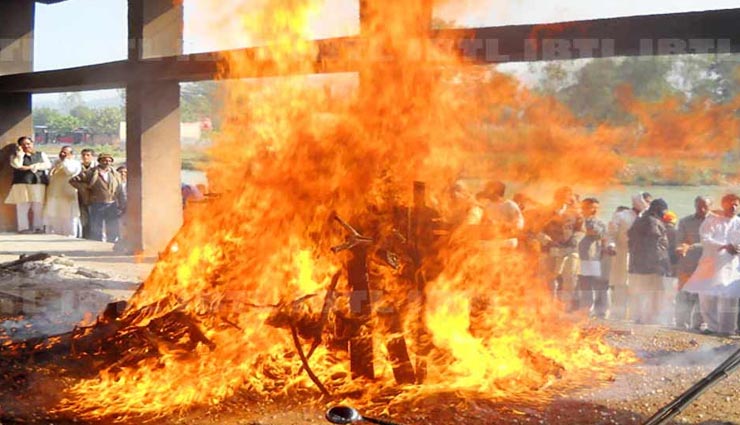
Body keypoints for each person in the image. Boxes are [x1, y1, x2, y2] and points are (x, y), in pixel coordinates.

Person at [683, 194, 740, 336]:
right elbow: (705, 239)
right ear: (723, 205)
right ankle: (712, 326)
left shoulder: (738, 222)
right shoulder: (712, 220)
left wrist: (737, 247)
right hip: (711, 264)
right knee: (708, 296)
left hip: (731, 265)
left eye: (736, 204)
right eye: (730, 204)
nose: (733, 207)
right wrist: (726, 246)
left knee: (730, 296)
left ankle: (727, 329)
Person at [606, 192, 652, 320]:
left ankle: (635, 317)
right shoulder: (620, 216)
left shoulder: (649, 218)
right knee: (621, 285)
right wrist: (611, 245)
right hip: (622, 255)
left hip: (641, 258)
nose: (648, 204)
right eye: (646, 201)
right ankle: (617, 317)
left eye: (649, 202)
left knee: (638, 288)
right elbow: (611, 235)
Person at [627, 198, 670, 324]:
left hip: (638, 265)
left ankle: (639, 318)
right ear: (658, 210)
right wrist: (662, 265)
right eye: (663, 211)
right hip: (651, 266)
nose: (664, 214)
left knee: (640, 293)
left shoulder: (639, 220)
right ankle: (650, 319)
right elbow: (655, 246)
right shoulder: (653, 222)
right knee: (655, 293)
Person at [540, 186, 584, 310]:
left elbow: (581, 230)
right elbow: (537, 230)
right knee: (550, 278)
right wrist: (547, 241)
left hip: (569, 249)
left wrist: (575, 239)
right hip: (550, 248)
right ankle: (550, 305)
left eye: (568, 196)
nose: (565, 198)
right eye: (562, 196)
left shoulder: (575, 212)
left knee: (569, 278)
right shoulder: (546, 211)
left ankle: (565, 305)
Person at [69, 153, 126, 242]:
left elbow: (120, 190)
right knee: (96, 228)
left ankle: (110, 245)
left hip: (111, 204)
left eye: (109, 160)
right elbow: (73, 181)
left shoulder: (115, 174)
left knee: (112, 227)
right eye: (104, 160)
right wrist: (84, 189)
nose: (107, 162)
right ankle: (96, 245)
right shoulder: (91, 173)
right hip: (96, 204)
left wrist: (122, 204)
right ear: (99, 161)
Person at [674, 196, 711, 331]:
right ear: (694, 206)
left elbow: (713, 243)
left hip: (707, 266)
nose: (701, 209)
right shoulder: (685, 221)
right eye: (698, 206)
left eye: (705, 206)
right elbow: (679, 240)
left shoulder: (716, 222)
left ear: (710, 206)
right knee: (684, 294)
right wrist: (680, 247)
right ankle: (681, 323)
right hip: (688, 264)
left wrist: (692, 246)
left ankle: (698, 324)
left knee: (703, 296)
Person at [4, 136, 52, 233]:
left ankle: (38, 227)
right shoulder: (15, 156)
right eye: (24, 144)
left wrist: (31, 167)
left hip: (38, 183)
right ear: (20, 146)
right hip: (22, 183)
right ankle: (23, 228)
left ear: (32, 144)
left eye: (28, 143)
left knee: (38, 207)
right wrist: (20, 154)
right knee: (22, 207)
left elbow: (47, 165)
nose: (27, 146)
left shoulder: (40, 154)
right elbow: (17, 165)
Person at [575, 198, 609, 317]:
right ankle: (577, 308)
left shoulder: (598, 223)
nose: (594, 210)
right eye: (591, 207)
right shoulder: (575, 219)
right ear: (584, 207)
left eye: (596, 208)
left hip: (590, 256)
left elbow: (598, 234)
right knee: (576, 282)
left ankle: (589, 309)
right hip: (573, 254)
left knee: (588, 282)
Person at [43, 146, 83, 237]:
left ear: (71, 154)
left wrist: (65, 161)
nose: (62, 154)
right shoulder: (56, 162)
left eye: (65, 153)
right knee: (55, 214)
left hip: (67, 193)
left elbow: (70, 172)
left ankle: (71, 235)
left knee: (69, 216)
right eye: (61, 152)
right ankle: (56, 234)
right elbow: (50, 175)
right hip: (54, 192)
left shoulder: (75, 163)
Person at [78, 148, 95, 239]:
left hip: (94, 196)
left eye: (88, 155)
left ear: (92, 157)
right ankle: (85, 236)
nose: (85, 157)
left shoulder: (96, 168)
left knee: (93, 217)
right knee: (83, 217)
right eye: (83, 155)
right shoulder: (78, 167)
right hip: (81, 196)